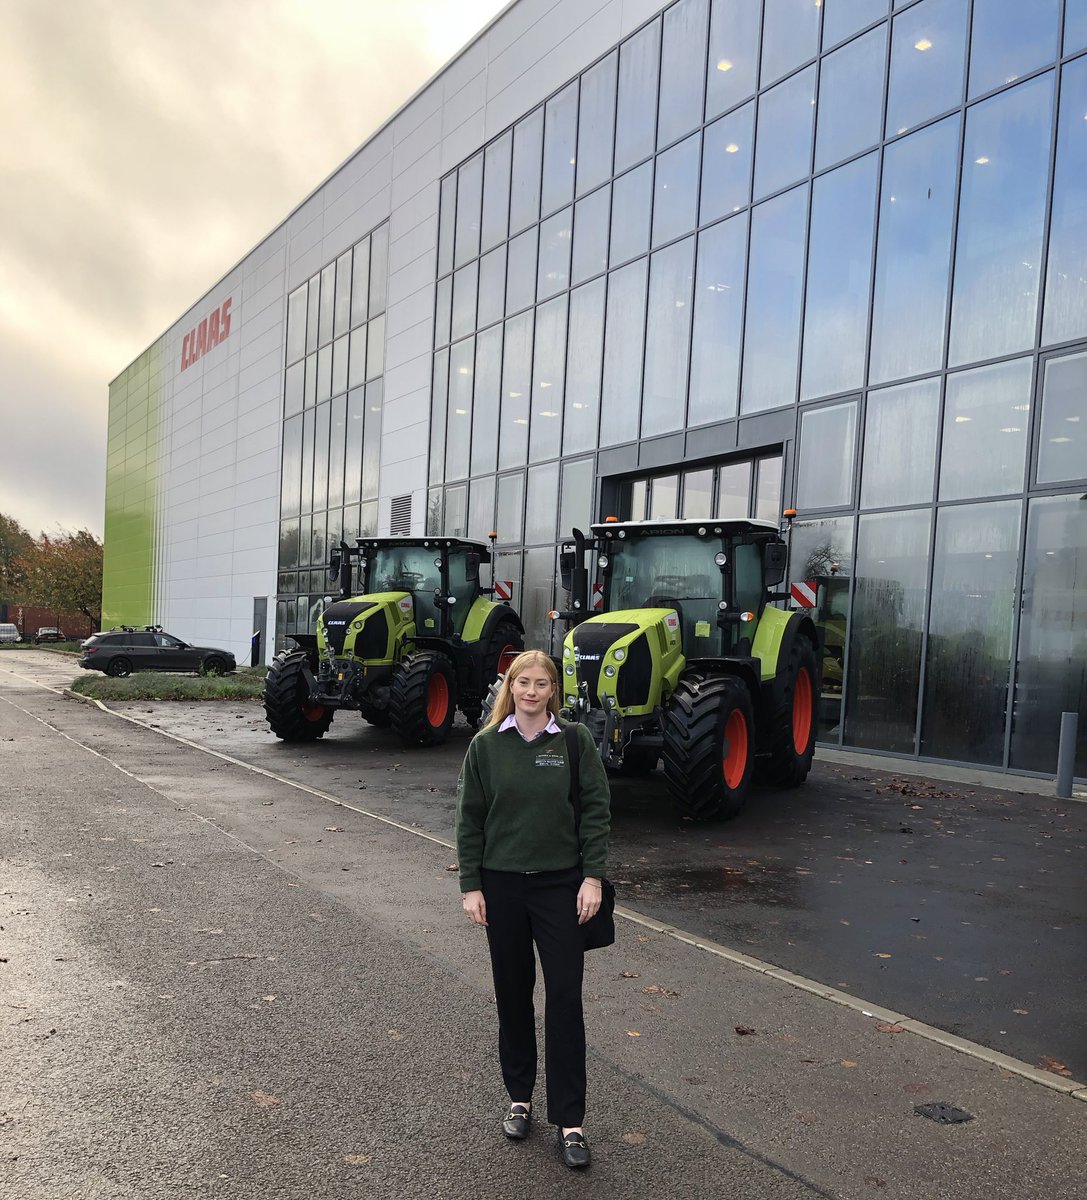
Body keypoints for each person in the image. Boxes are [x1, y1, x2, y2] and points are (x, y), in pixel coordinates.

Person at [456, 649, 611, 1169]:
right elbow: (469, 819)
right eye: (522, 682)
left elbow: (596, 810)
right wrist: (471, 886)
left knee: (564, 998)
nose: (531, 691)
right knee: (513, 993)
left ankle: (570, 1121)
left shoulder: (573, 741)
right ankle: (519, 1098)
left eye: (541, 684)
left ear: (552, 691)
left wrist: (592, 877)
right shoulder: (485, 746)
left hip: (560, 888)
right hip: (501, 887)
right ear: (510, 687)